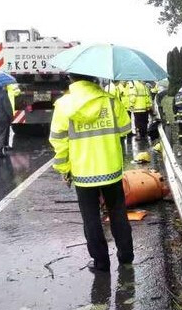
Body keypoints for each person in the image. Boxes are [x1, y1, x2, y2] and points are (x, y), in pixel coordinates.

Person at [49, 73, 133, 273]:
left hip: (83, 172)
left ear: (71, 78)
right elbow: (125, 129)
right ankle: (126, 256)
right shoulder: (110, 101)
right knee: (118, 213)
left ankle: (101, 263)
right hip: (111, 169)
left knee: (91, 218)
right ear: (93, 78)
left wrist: (64, 169)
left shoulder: (63, 105)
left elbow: (58, 142)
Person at [5, 83, 21, 149]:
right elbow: (18, 92)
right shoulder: (11, 87)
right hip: (9, 111)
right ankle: (5, 145)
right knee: (5, 130)